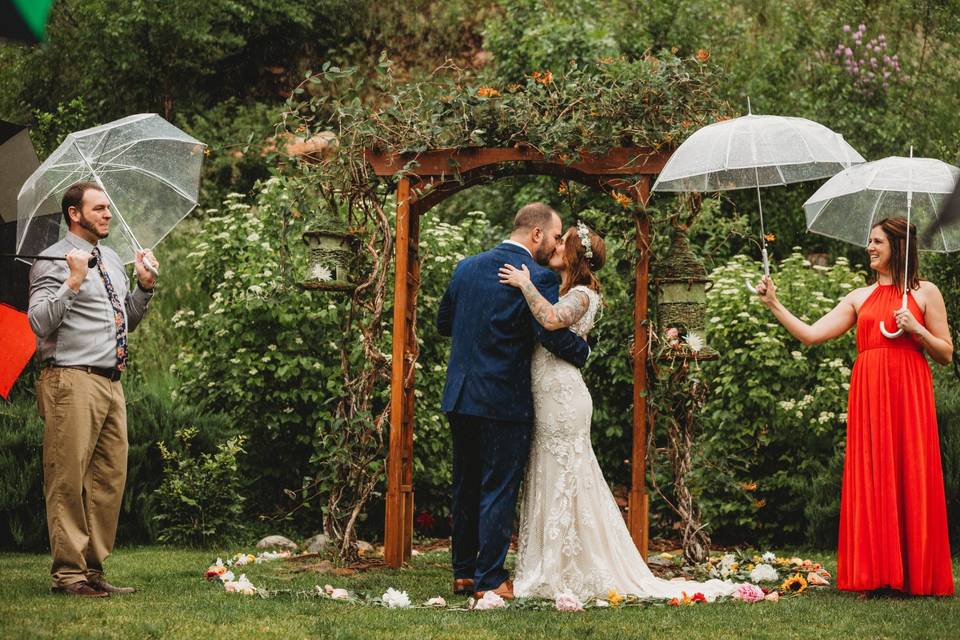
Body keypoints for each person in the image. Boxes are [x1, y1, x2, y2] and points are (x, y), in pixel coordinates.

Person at [499, 220, 737, 601]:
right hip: (545, 392)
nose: (556, 246)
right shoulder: (561, 288)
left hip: (564, 397)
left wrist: (524, 283)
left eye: (564, 243)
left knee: (566, 475)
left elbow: (551, 319)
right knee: (547, 471)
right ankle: (549, 563)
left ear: (576, 254)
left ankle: (566, 569)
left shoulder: (582, 294)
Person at [755, 216, 954, 596]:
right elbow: (812, 335)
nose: (870, 247)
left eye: (877, 241)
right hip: (869, 396)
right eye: (870, 241)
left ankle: (913, 575)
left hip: (909, 395)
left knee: (909, 470)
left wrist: (917, 329)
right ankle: (879, 573)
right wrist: (775, 305)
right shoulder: (859, 298)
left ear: (898, 246)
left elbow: (945, 353)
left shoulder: (925, 293)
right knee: (874, 475)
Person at [437, 203, 591, 601]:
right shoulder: (536, 276)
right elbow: (552, 336)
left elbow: (443, 324)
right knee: (498, 489)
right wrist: (583, 351)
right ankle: (490, 578)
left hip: (461, 395)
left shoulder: (465, 268)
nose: (557, 244)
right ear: (536, 235)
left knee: (466, 485)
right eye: (556, 237)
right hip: (504, 398)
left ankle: (463, 574)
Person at [28, 181, 157, 598]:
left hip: (110, 382)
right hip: (69, 379)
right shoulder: (51, 260)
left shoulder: (114, 259)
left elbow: (126, 321)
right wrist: (73, 281)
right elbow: (39, 323)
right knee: (67, 480)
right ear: (74, 214)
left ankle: (93, 569)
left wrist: (143, 287)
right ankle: (68, 575)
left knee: (108, 480)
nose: (108, 214)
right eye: (99, 208)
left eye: (108, 208)